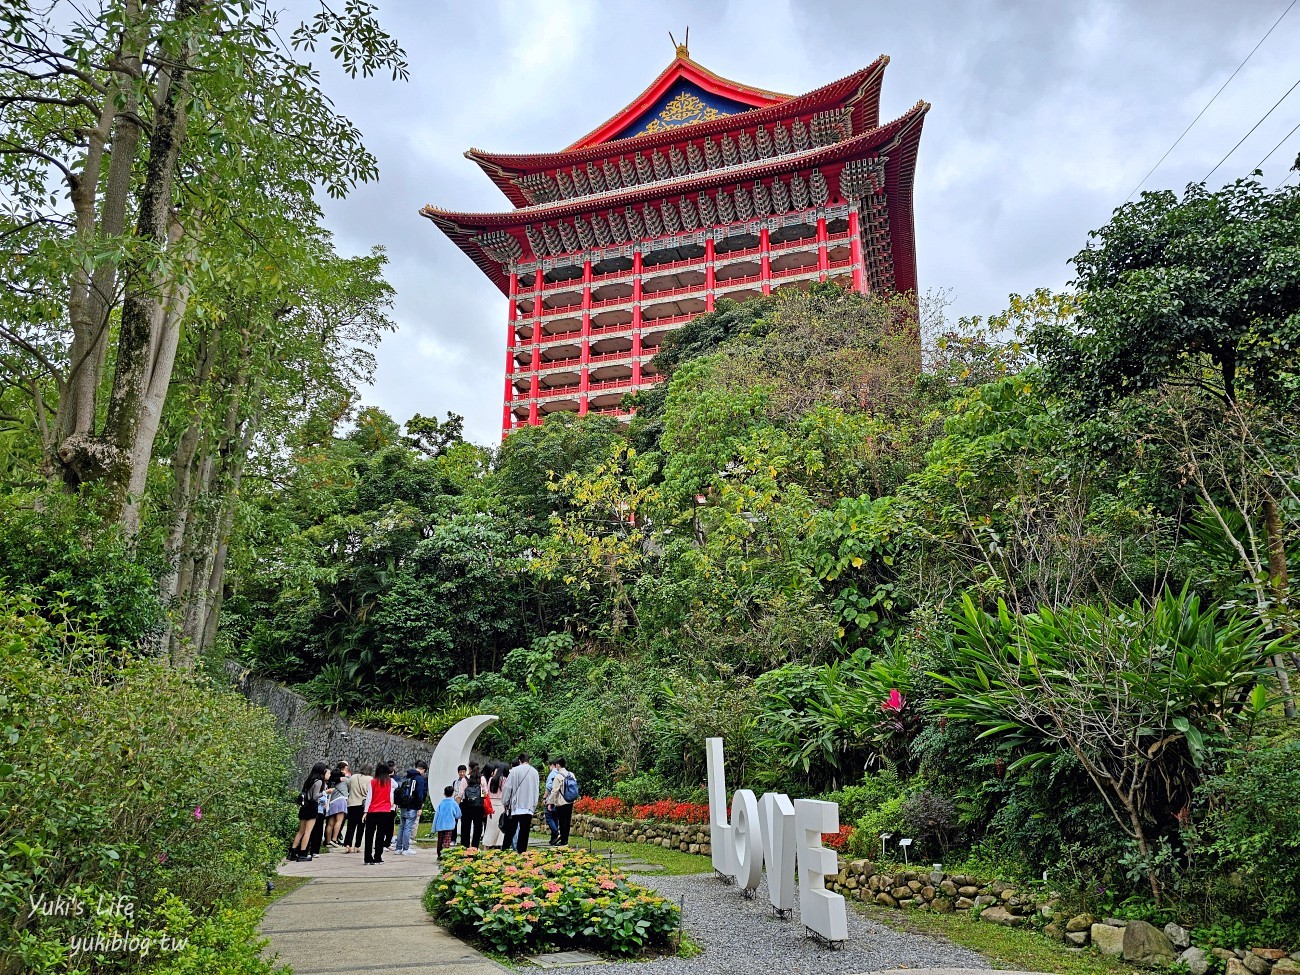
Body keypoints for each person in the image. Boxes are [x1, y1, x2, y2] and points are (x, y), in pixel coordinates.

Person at [498, 753, 539, 853]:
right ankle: (522, 852)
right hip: (528, 806)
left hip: (516, 806)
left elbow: (508, 788)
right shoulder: (535, 772)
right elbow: (536, 789)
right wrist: (534, 804)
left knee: (510, 831)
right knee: (524, 831)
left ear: (519, 761)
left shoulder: (514, 771)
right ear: (529, 761)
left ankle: (505, 850)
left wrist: (505, 801)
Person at [289, 762, 328, 861]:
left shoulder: (309, 780)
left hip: (304, 806)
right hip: (312, 807)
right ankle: (302, 854)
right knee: (308, 832)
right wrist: (323, 793)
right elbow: (315, 797)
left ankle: (292, 852)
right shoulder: (319, 781)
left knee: (301, 831)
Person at [362, 762, 395, 865]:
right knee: (380, 835)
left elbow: (369, 798)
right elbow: (391, 794)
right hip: (385, 811)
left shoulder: (373, 781)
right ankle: (378, 857)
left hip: (372, 811)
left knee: (369, 835)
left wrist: (365, 812)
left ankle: (368, 858)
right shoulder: (390, 781)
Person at [394, 761, 428, 856]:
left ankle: (398, 848)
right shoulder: (420, 779)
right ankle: (406, 848)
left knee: (402, 827)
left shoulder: (407, 776)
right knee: (408, 827)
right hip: (412, 806)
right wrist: (420, 806)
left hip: (403, 805)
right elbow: (420, 794)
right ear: (423, 770)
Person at [545, 758, 576, 846]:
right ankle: (566, 840)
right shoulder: (571, 774)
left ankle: (563, 841)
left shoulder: (558, 776)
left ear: (558, 765)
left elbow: (554, 791)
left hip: (561, 802)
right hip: (570, 801)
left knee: (562, 822)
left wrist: (549, 802)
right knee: (567, 821)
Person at [343, 763, 371, 853]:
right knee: (361, 826)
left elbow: (349, 788)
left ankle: (348, 845)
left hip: (351, 804)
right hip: (363, 805)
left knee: (351, 826)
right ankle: (357, 846)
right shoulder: (370, 779)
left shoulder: (353, 777)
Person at [458, 762, 487, 849]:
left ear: (470, 769)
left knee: (465, 827)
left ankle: (465, 846)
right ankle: (475, 846)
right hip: (478, 807)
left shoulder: (465, 779)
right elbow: (485, 793)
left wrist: (457, 807)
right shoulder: (482, 779)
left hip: (466, 806)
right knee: (478, 827)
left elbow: (460, 794)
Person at [308, 767, 332, 856]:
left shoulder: (324, 784)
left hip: (321, 810)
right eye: (328, 773)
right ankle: (313, 850)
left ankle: (315, 850)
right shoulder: (319, 783)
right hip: (317, 809)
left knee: (318, 831)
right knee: (315, 830)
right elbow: (317, 796)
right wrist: (326, 793)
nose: (329, 775)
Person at [433, 785, 461, 859]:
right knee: (447, 841)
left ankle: (439, 854)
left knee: (440, 841)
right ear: (452, 793)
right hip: (449, 825)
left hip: (440, 825)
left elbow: (436, 815)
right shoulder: (454, 803)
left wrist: (434, 828)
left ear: (444, 793)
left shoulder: (441, 803)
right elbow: (458, 814)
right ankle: (445, 855)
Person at [482, 763, 506, 848]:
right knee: (499, 826)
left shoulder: (491, 779)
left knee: (490, 826)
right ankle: (498, 844)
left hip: (491, 805)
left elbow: (486, 792)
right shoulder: (504, 780)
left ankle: (486, 845)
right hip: (500, 804)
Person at [498, 759, 520, 851]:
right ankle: (515, 846)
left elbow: (507, 790)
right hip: (518, 804)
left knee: (510, 829)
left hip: (509, 805)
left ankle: (506, 847)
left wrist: (505, 803)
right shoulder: (518, 774)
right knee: (516, 828)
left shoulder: (508, 776)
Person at [326, 763, 349, 846]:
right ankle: (334, 839)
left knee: (330, 823)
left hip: (332, 801)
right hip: (341, 801)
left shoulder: (331, 781)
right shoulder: (344, 780)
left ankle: (328, 841)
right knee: (339, 821)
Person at [543, 759, 561, 844]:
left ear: (552, 765)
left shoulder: (552, 774)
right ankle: (553, 839)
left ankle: (557, 834)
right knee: (555, 818)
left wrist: (544, 798)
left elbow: (549, 787)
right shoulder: (560, 773)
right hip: (558, 800)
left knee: (549, 817)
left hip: (551, 799)